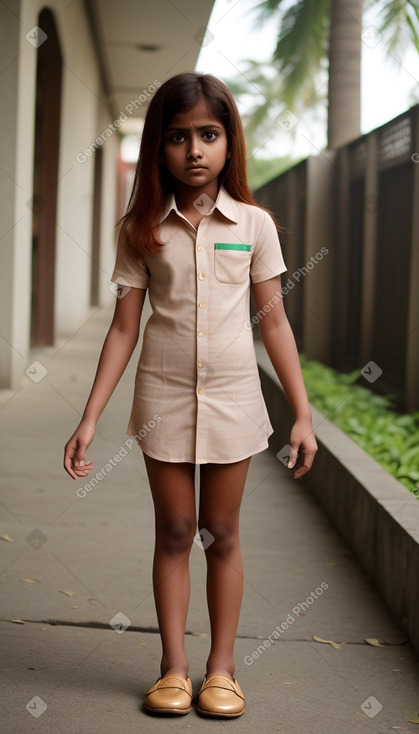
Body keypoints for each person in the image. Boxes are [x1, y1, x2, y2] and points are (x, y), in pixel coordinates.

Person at [63, 72, 318, 718]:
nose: (195, 150)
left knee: (221, 532)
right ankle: (173, 669)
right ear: (158, 147)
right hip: (163, 400)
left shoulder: (254, 224)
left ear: (229, 142)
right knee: (175, 530)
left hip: (234, 399)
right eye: (178, 137)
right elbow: (125, 327)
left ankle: (223, 670)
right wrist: (89, 417)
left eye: (208, 134)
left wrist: (302, 415)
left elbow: (274, 321)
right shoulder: (141, 228)